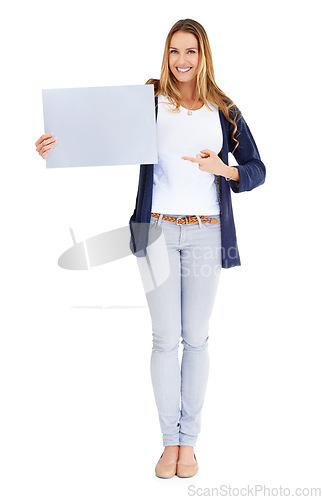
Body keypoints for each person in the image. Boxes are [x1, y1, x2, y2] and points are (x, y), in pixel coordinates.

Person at [35, 18, 266, 480]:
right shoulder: (149, 99)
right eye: (175, 51)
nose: (182, 61)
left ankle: (189, 444)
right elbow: (101, 135)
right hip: (156, 231)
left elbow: (257, 169)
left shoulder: (223, 108)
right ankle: (168, 442)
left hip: (205, 232)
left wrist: (223, 169)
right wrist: (54, 146)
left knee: (196, 338)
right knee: (165, 339)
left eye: (191, 52)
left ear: (204, 56)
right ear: (167, 54)